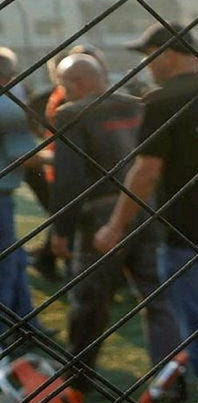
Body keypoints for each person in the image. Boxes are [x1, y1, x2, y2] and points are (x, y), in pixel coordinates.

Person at [93, 22, 198, 403]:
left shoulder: (165, 100)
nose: (146, 65)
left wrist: (115, 226)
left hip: (184, 228)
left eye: (148, 56)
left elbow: (145, 170)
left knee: (194, 315)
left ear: (166, 53)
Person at [47, 52, 184, 384]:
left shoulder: (71, 114)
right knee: (158, 298)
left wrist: (60, 230)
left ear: (75, 84)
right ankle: (172, 379)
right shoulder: (137, 105)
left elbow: (70, 178)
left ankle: (79, 375)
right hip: (147, 205)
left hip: (102, 213)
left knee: (89, 298)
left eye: (63, 85)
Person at [0, 47, 39, 331]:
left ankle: (26, 323)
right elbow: (23, 154)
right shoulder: (8, 105)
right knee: (6, 265)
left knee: (14, 258)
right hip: (1, 194)